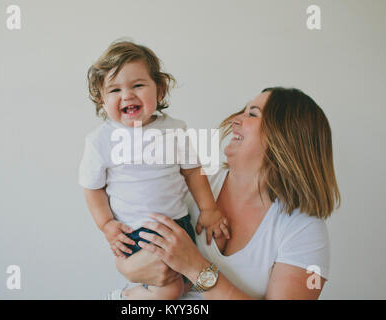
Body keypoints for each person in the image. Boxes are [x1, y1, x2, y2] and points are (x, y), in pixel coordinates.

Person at [115, 87, 341, 299]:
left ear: (285, 136)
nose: (235, 120)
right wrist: (127, 266)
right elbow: (127, 240)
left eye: (252, 114)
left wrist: (196, 267)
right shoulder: (187, 184)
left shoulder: (305, 231)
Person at [78, 40, 229, 300]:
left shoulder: (174, 130)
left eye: (138, 85)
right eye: (114, 90)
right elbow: (93, 188)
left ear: (159, 91)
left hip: (178, 225)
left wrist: (209, 209)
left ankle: (136, 294)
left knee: (187, 284)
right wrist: (106, 225)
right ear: (102, 100)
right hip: (135, 230)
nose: (127, 95)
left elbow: (192, 171)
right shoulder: (100, 140)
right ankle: (124, 298)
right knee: (169, 289)